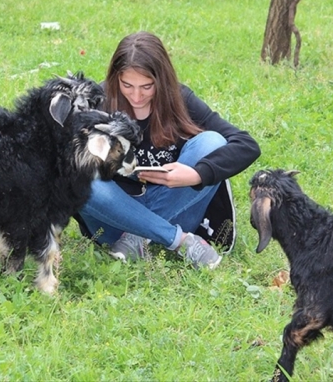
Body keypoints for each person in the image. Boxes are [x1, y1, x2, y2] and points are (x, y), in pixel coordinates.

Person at [76, 31, 260, 269]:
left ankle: (141, 238)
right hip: (114, 220)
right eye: (127, 85)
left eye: (147, 86)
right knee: (77, 177)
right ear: (115, 78)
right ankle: (178, 241)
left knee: (211, 141)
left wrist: (196, 175)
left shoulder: (179, 99)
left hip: (176, 210)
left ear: (161, 80)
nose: (136, 96)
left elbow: (246, 144)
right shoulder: (99, 101)